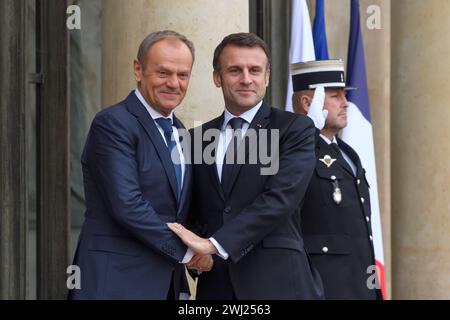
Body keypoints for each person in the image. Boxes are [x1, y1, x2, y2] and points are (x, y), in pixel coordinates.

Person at [167, 32, 324, 300]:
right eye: (234, 70)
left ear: (267, 76)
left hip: (279, 284)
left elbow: (280, 199)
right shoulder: (197, 138)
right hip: (216, 286)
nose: (246, 79)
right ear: (217, 78)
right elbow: (194, 208)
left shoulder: (294, 128)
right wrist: (194, 254)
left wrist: (213, 245)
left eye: (254, 70)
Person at [68, 30, 211, 300]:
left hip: (166, 284)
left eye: (183, 75)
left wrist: (214, 247)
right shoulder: (113, 123)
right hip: (116, 283)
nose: (173, 83)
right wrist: (190, 253)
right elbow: (127, 204)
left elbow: (180, 211)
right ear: (138, 69)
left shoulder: (180, 132)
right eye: (163, 73)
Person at [291, 59, 382, 299]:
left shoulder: (347, 153)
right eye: (335, 96)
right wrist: (307, 131)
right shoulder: (293, 151)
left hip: (361, 287)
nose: (346, 104)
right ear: (307, 103)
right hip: (324, 288)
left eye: (345, 95)